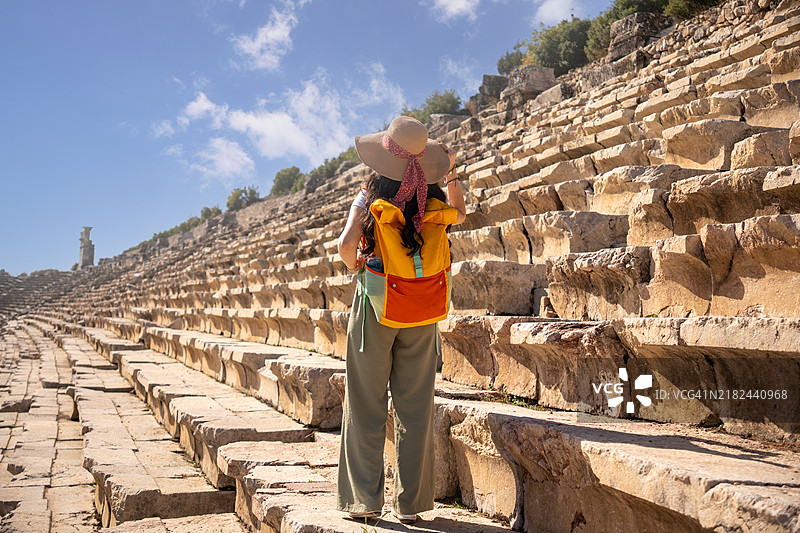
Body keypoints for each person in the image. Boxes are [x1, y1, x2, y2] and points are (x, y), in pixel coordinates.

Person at [336, 116, 466, 524]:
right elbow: (460, 213)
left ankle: (364, 501)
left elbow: (344, 246)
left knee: (365, 401)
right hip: (421, 308)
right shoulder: (435, 199)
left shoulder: (369, 197)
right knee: (415, 405)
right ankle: (411, 505)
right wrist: (455, 173)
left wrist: (356, 262)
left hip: (376, 306)